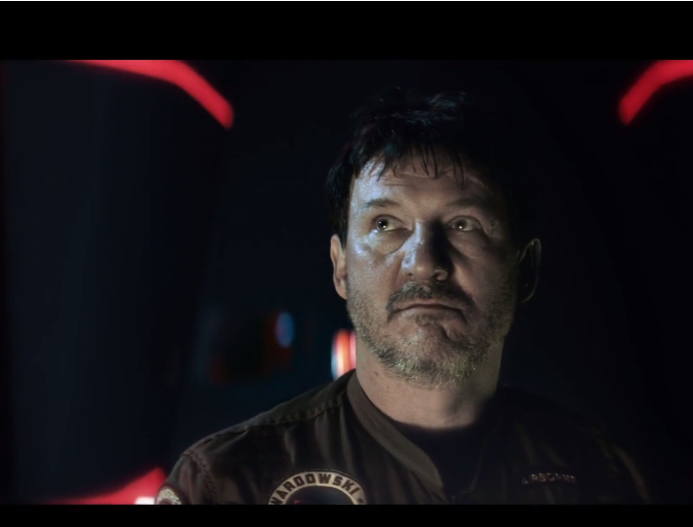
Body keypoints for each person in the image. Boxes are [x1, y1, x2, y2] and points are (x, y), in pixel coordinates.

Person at [156, 88, 653, 504]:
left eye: (464, 224)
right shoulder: (228, 483)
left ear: (524, 269)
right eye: (385, 224)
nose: (425, 261)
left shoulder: (601, 475)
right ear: (342, 268)